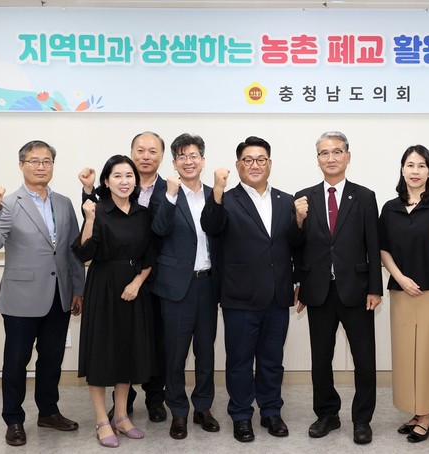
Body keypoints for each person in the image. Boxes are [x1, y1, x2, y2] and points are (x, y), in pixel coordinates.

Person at [0, 140, 85, 447]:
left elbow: (73, 250)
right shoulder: (9, 203)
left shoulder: (64, 203)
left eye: (47, 161)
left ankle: (48, 412)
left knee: (51, 360)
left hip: (59, 294)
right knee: (16, 361)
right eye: (34, 161)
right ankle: (13, 419)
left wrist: (77, 288)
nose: (41, 166)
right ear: (21, 165)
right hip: (21, 297)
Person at [200, 136, 299, 443]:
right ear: (238, 164)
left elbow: (294, 246)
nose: (255, 165)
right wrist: (217, 191)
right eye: (248, 160)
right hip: (240, 296)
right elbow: (211, 226)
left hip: (278, 295)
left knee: (272, 360)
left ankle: (271, 411)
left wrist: (296, 281)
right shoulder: (226, 200)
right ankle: (241, 415)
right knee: (240, 361)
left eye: (261, 159)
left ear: (269, 164)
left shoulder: (286, 200)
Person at [292, 131, 383, 445]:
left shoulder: (364, 196)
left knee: (364, 359)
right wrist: (298, 221)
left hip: (357, 290)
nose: (330, 158)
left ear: (348, 156)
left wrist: (375, 288)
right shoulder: (303, 198)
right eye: (324, 153)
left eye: (336, 152)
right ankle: (327, 414)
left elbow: (373, 244)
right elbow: (296, 246)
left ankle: (362, 419)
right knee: (321, 359)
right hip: (319, 291)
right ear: (317, 158)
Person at [78, 131, 168, 422]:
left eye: (129, 176)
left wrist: (138, 282)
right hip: (104, 287)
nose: (124, 181)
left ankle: (125, 415)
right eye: (117, 176)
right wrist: (89, 215)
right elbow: (84, 252)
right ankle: (104, 419)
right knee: (103, 352)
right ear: (107, 181)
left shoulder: (144, 212)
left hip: (136, 287)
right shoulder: (99, 210)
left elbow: (150, 254)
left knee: (131, 351)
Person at [378, 145, 429, 444]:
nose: (415, 171)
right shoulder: (390, 207)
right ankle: (416, 411)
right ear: (402, 169)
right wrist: (400, 278)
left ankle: (426, 416)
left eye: (422, 165)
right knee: (405, 354)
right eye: (410, 165)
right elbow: (383, 248)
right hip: (402, 290)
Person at [151, 133, 220, 440]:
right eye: (182, 156)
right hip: (176, 287)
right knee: (176, 354)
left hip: (208, 284)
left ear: (202, 160)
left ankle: (203, 408)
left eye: (194, 156)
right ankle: (178, 411)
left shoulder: (216, 195)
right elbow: (159, 229)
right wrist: (169, 196)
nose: (188, 161)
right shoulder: (163, 194)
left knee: (206, 353)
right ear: (174, 163)